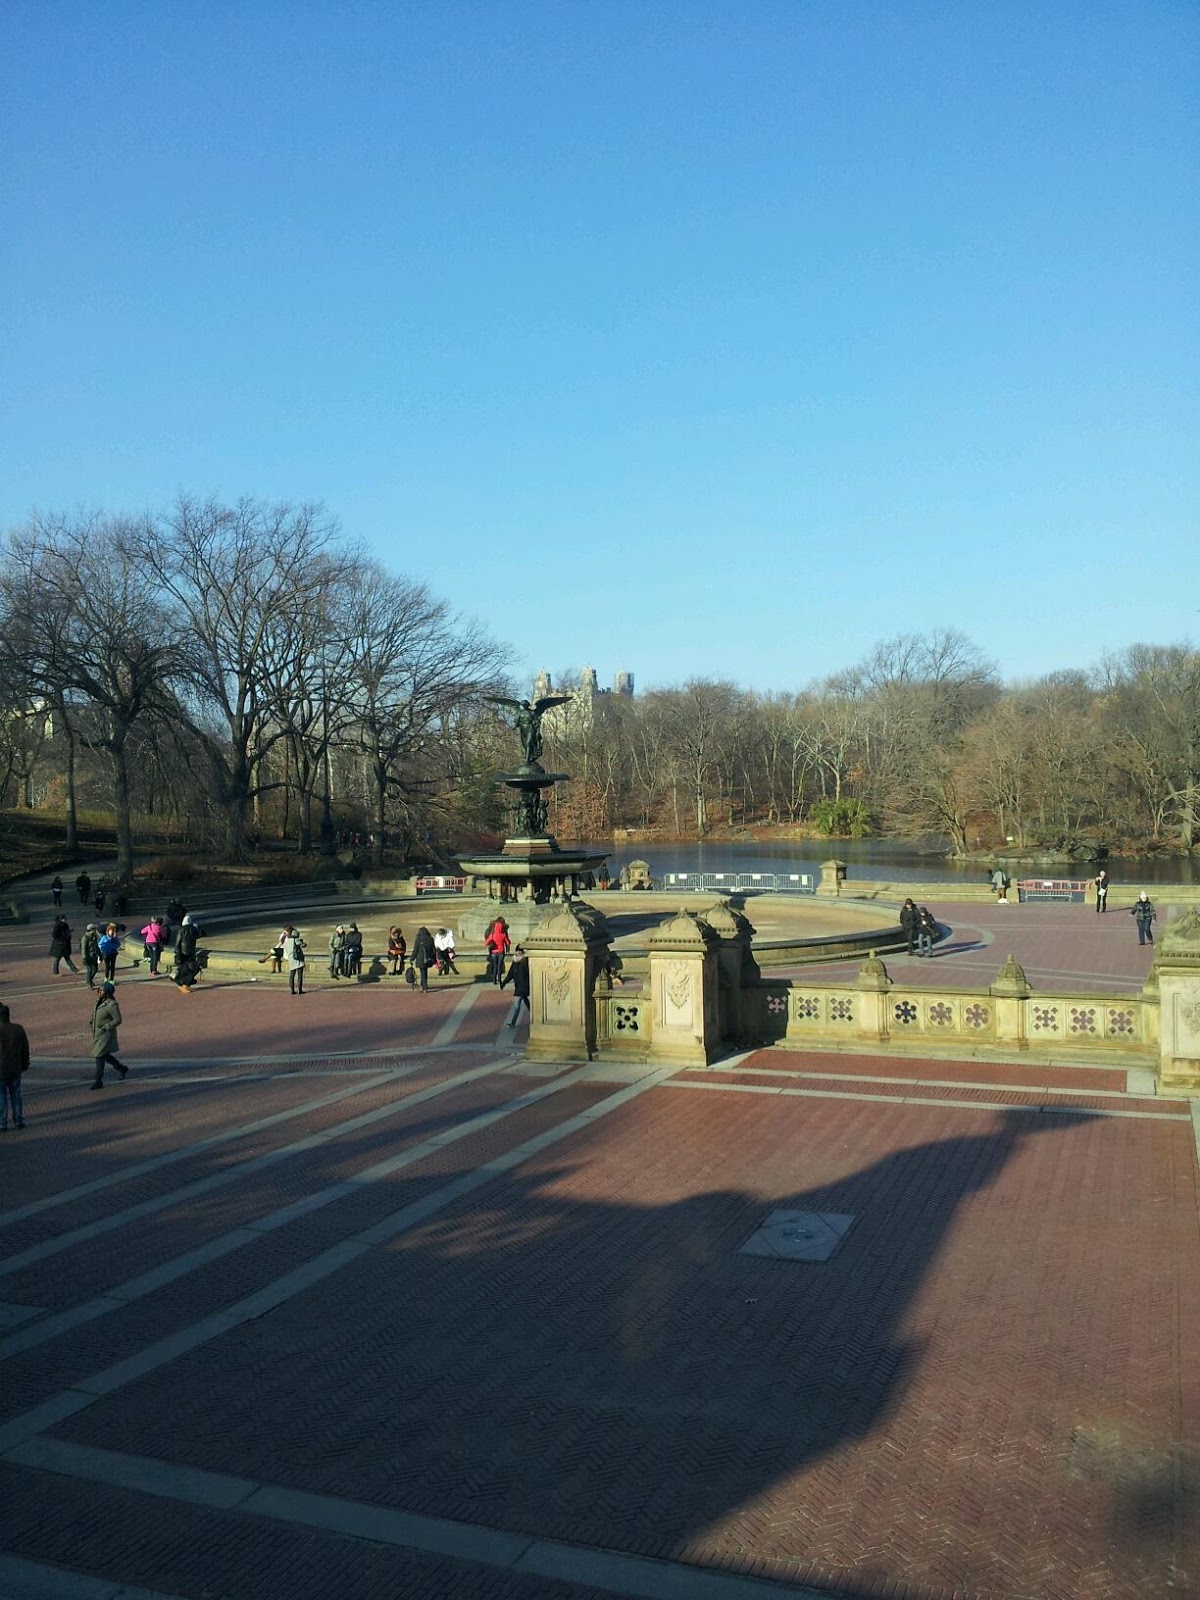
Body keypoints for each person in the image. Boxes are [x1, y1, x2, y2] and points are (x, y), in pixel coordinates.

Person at [89, 982, 129, 1088]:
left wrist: (106, 1027)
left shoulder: (112, 1004)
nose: (100, 992)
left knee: (99, 1054)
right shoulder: (98, 1001)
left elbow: (118, 1019)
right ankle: (120, 1068)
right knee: (104, 1054)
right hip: (97, 1032)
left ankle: (98, 1080)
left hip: (105, 1034)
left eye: (102, 991)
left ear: (108, 993)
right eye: (99, 990)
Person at [0, 1003, 31, 1130]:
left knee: (1, 1096)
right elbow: (25, 1049)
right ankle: (18, 1119)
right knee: (16, 1094)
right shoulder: (18, 1029)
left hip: (0, 1070)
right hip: (15, 1068)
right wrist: (24, 1065)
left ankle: (2, 1122)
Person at [500, 945, 530, 1027]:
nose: (518, 953)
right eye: (517, 951)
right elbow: (510, 974)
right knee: (526, 1002)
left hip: (523, 987)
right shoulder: (515, 962)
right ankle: (535, 1017)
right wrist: (504, 983)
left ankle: (513, 1023)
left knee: (517, 1005)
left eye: (520, 951)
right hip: (519, 986)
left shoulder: (525, 962)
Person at [173, 914, 202, 992]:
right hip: (191, 952)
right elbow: (200, 934)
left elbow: (177, 943)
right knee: (193, 969)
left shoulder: (181, 930)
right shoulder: (194, 929)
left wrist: (177, 952)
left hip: (182, 952)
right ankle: (185, 983)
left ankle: (183, 983)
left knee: (185, 969)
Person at [484, 917, 510, 985]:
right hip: (501, 952)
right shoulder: (503, 934)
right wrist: (507, 948)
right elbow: (507, 943)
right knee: (499, 966)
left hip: (493, 952)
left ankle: (494, 980)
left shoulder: (492, 934)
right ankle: (499, 979)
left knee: (495, 966)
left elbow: (486, 943)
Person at [411, 926, 436, 992]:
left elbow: (415, 950)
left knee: (423, 973)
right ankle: (423, 985)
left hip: (421, 959)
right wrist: (434, 959)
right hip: (428, 958)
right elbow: (433, 950)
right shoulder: (431, 938)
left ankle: (425, 988)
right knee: (425, 973)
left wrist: (412, 958)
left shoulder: (418, 939)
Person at [283, 927, 306, 994]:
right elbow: (303, 945)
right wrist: (303, 942)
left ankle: (292, 990)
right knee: (299, 975)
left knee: (292, 975)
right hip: (298, 959)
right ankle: (300, 990)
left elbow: (286, 950)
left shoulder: (287, 941)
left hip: (291, 959)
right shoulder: (296, 940)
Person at [81, 923, 101, 990]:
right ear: (91, 930)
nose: (95, 930)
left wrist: (100, 954)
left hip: (94, 956)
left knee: (95, 969)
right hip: (88, 957)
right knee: (89, 970)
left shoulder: (94, 937)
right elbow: (83, 949)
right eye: (94, 929)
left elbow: (96, 947)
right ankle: (89, 983)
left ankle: (89, 980)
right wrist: (84, 958)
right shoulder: (85, 938)